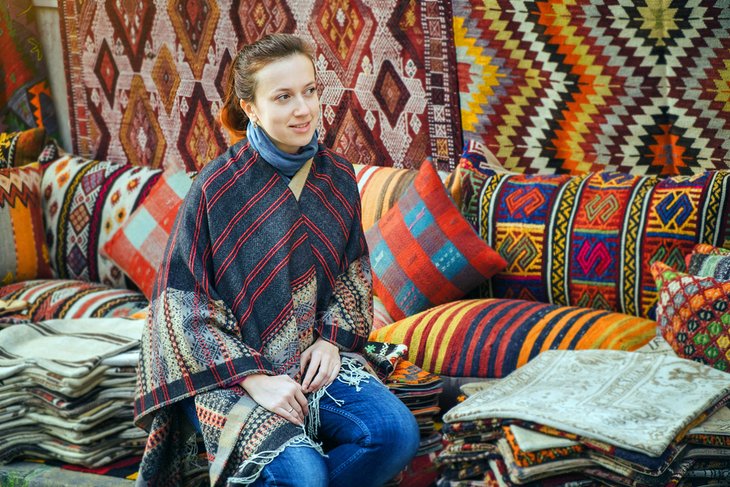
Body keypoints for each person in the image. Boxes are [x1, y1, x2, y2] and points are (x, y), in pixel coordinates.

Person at [133, 33, 420, 486]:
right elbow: (179, 309)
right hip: (227, 371)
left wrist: (329, 339)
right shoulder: (216, 188)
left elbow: (353, 273)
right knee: (304, 476)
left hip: (311, 355)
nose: (303, 109)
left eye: (309, 91)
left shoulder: (338, 177)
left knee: (395, 434)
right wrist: (253, 378)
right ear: (250, 108)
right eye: (283, 97)